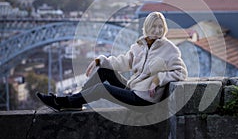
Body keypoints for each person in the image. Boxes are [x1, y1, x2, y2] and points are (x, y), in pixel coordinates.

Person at [36, 11, 188, 111]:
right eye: (154, 26)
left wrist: (158, 79)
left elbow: (181, 72)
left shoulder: (170, 49)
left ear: (165, 28)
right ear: (147, 28)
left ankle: (64, 103)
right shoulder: (138, 46)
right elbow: (123, 62)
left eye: (160, 27)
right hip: (133, 90)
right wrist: (100, 61)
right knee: (104, 71)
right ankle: (76, 102)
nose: (157, 30)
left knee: (102, 89)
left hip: (145, 100)